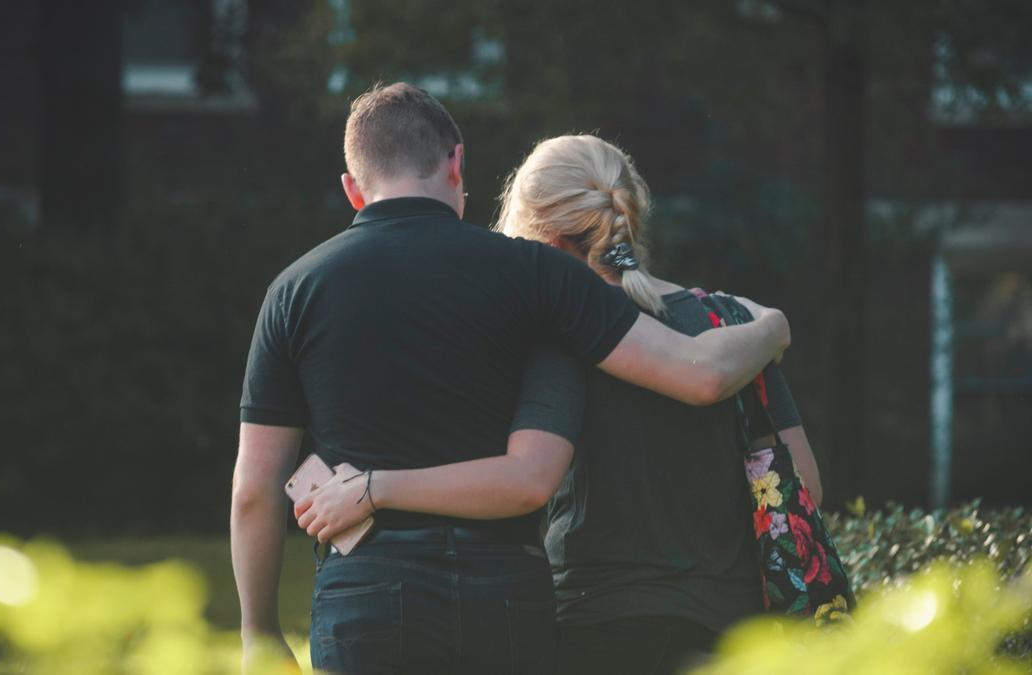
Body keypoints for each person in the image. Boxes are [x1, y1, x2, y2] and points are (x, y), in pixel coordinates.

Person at [231, 84, 790, 674]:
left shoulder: (293, 290)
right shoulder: (535, 274)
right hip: (501, 592)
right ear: (456, 164)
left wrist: (259, 634)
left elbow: (254, 491)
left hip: (365, 589)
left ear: (352, 187)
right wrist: (773, 327)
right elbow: (692, 368)